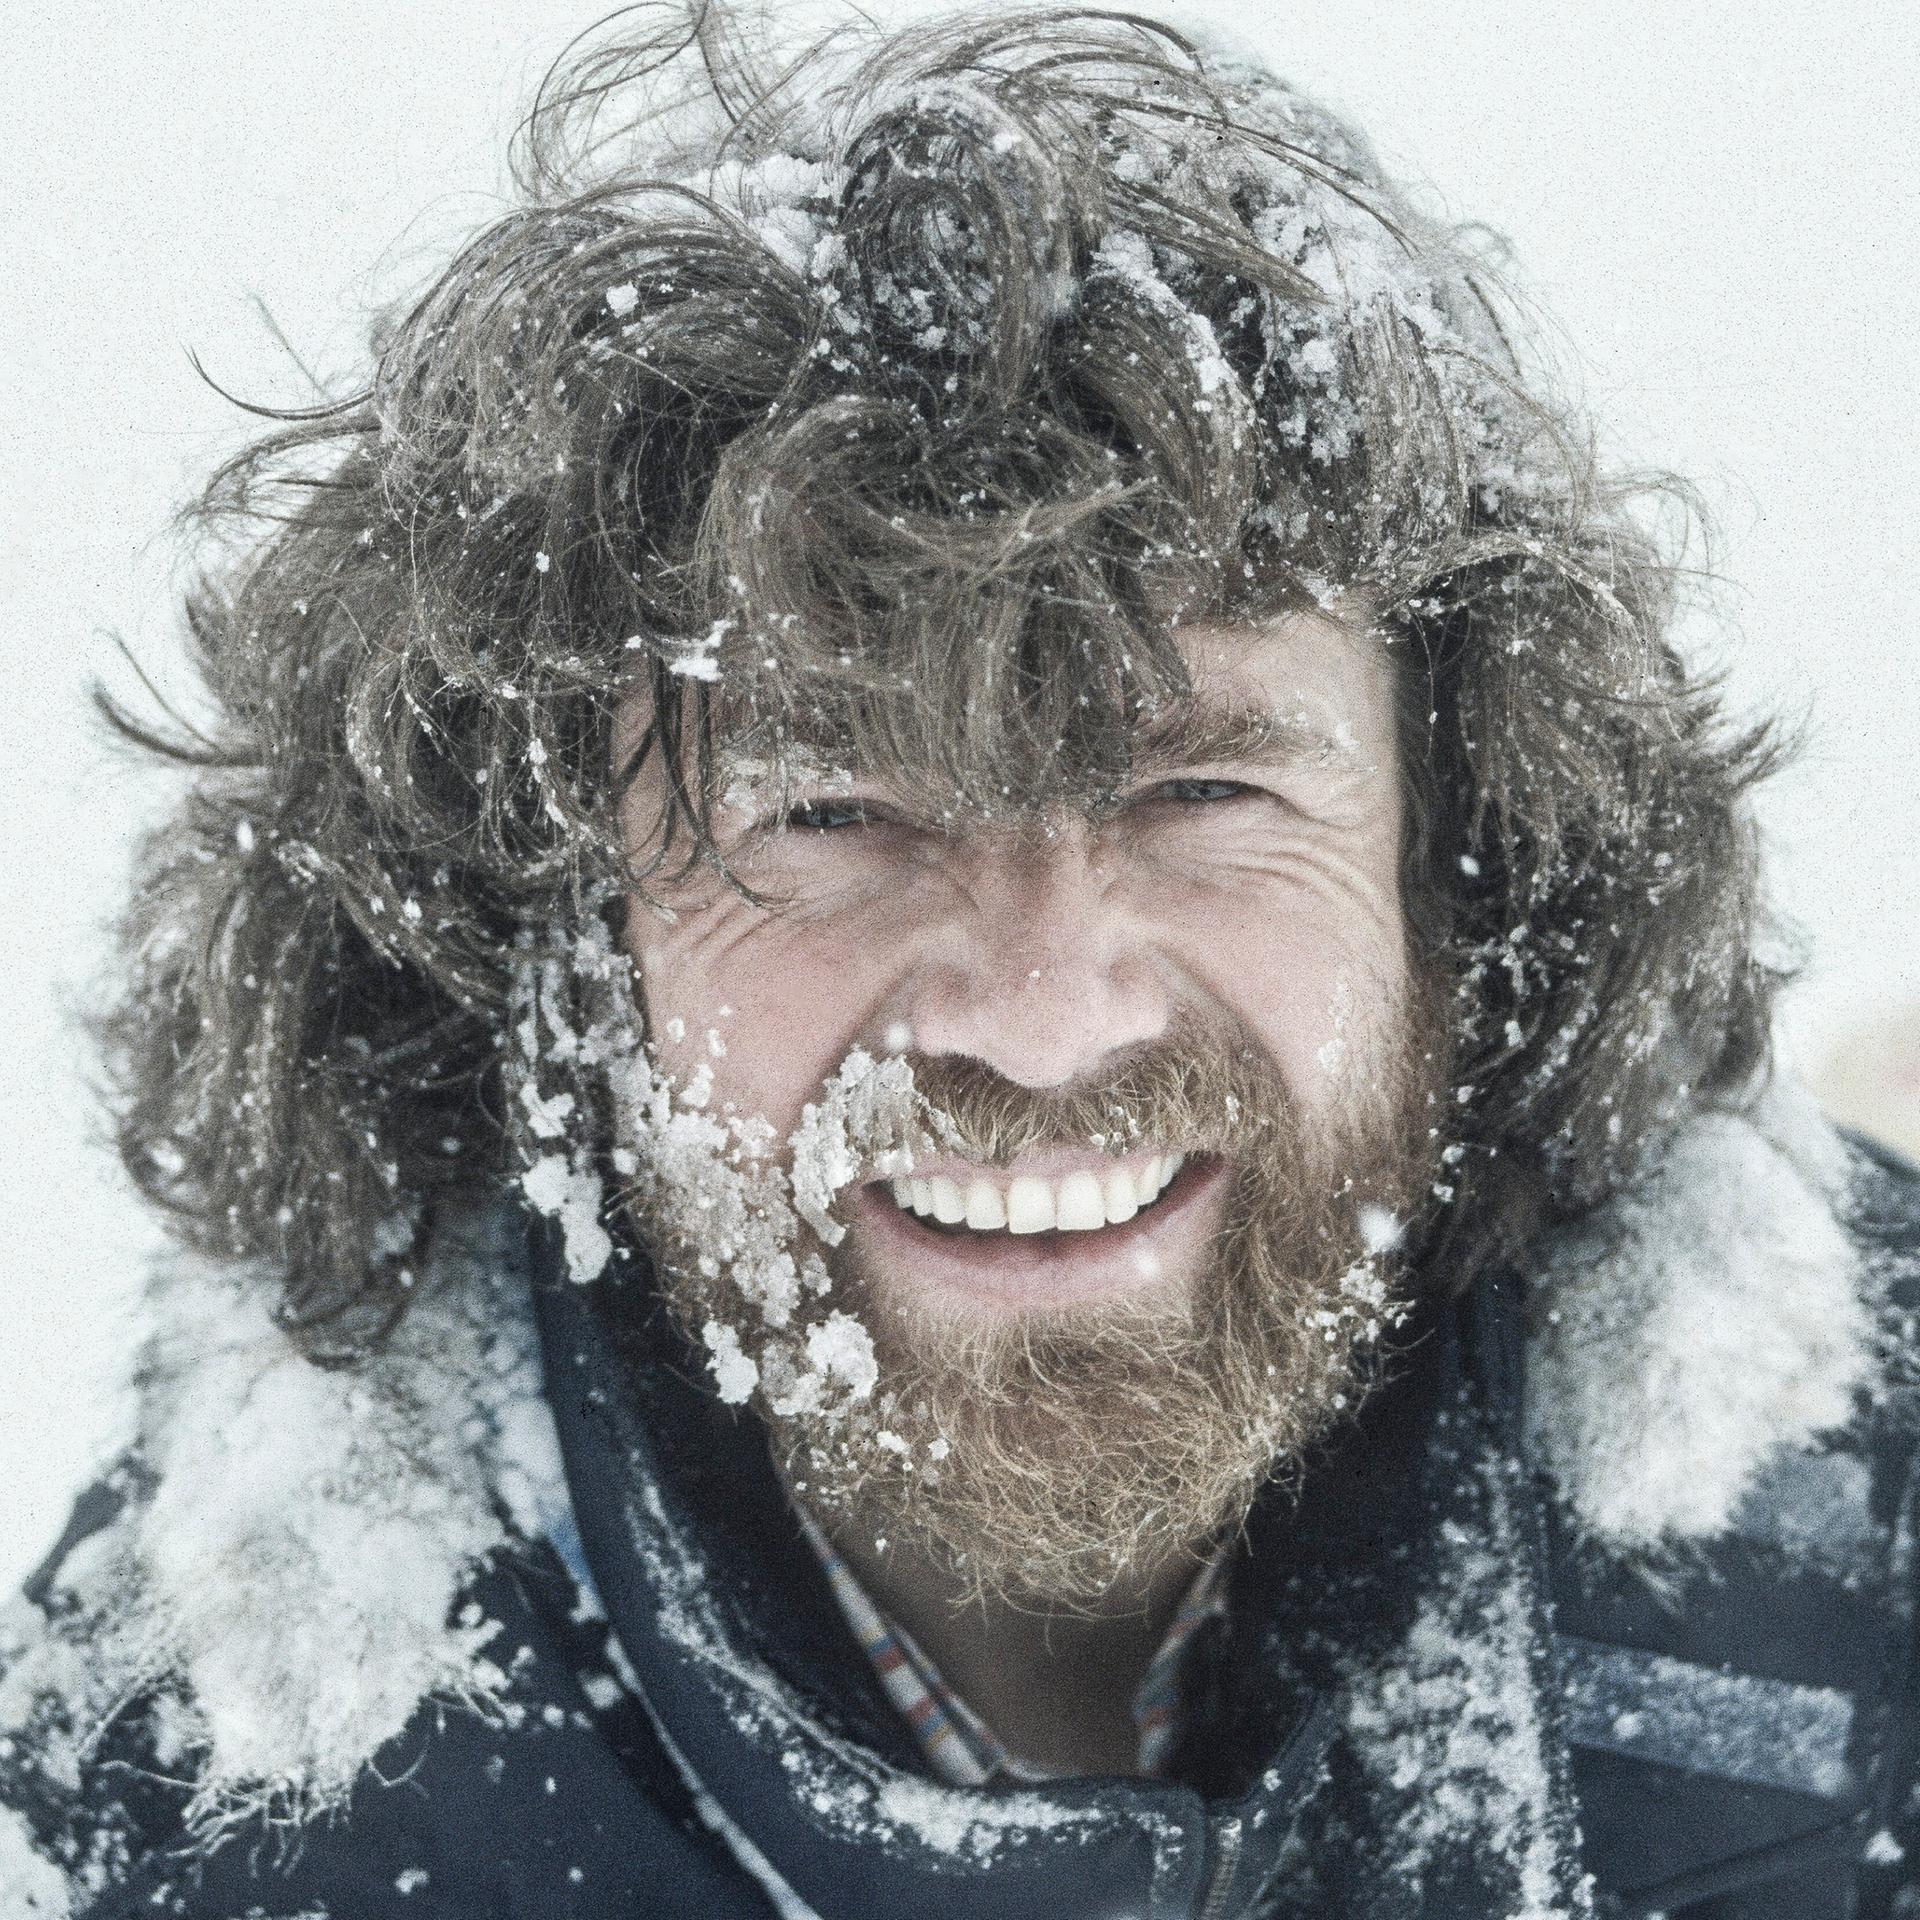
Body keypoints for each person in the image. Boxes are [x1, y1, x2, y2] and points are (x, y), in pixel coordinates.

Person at [5, 6, 1917, 1916]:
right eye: (831, 808)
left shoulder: (1887, 1554)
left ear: (1461, 865)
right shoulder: (174, 1839)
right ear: (545, 938)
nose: (1041, 1009)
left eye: (1203, 787)